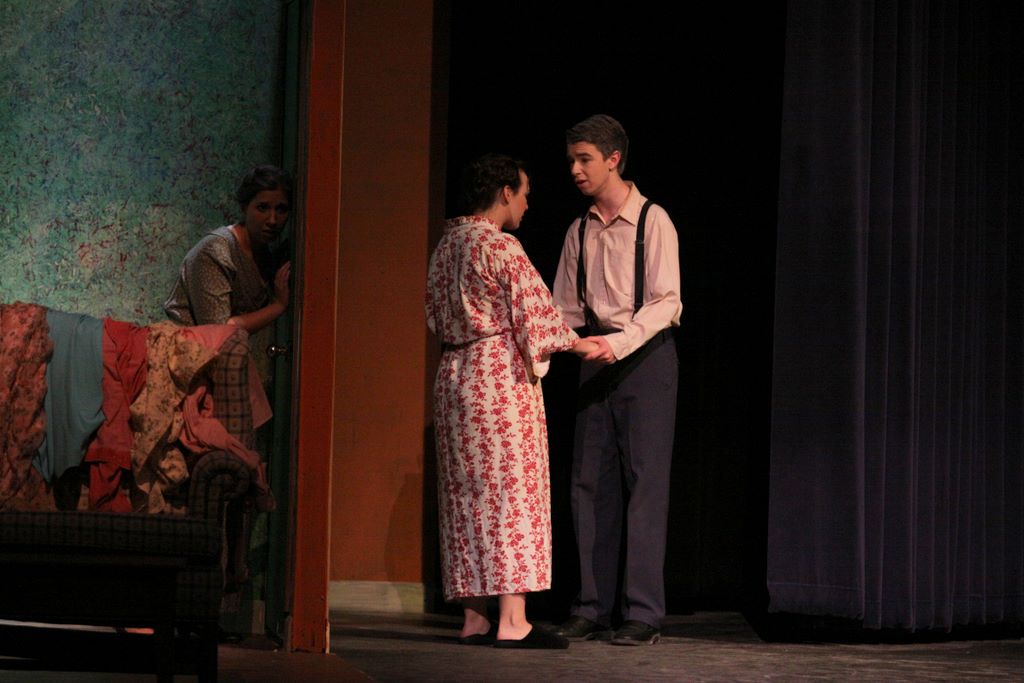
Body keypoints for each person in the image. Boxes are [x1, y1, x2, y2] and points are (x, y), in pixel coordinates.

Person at [426, 153, 598, 649]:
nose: (526, 204)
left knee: (465, 497)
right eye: (523, 194)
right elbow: (535, 312)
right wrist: (577, 343)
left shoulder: (447, 246)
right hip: (496, 378)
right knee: (510, 493)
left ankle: (473, 617)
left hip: (454, 376)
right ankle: (513, 620)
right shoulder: (499, 245)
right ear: (505, 192)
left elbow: (433, 314)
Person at [551, 115, 682, 646]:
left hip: (645, 357)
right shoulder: (579, 229)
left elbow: (666, 302)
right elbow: (563, 308)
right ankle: (591, 606)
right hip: (594, 357)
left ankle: (643, 613)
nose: (575, 170)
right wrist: (556, 344)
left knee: (645, 485)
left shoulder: (652, 220)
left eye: (584, 159)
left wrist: (618, 343)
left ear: (613, 159)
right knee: (588, 484)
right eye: (571, 160)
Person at [164, 164, 292, 332]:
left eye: (281, 209)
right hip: (188, 346)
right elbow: (218, 330)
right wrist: (278, 306)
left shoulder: (264, 254)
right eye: (263, 208)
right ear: (244, 207)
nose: (272, 220)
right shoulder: (216, 251)